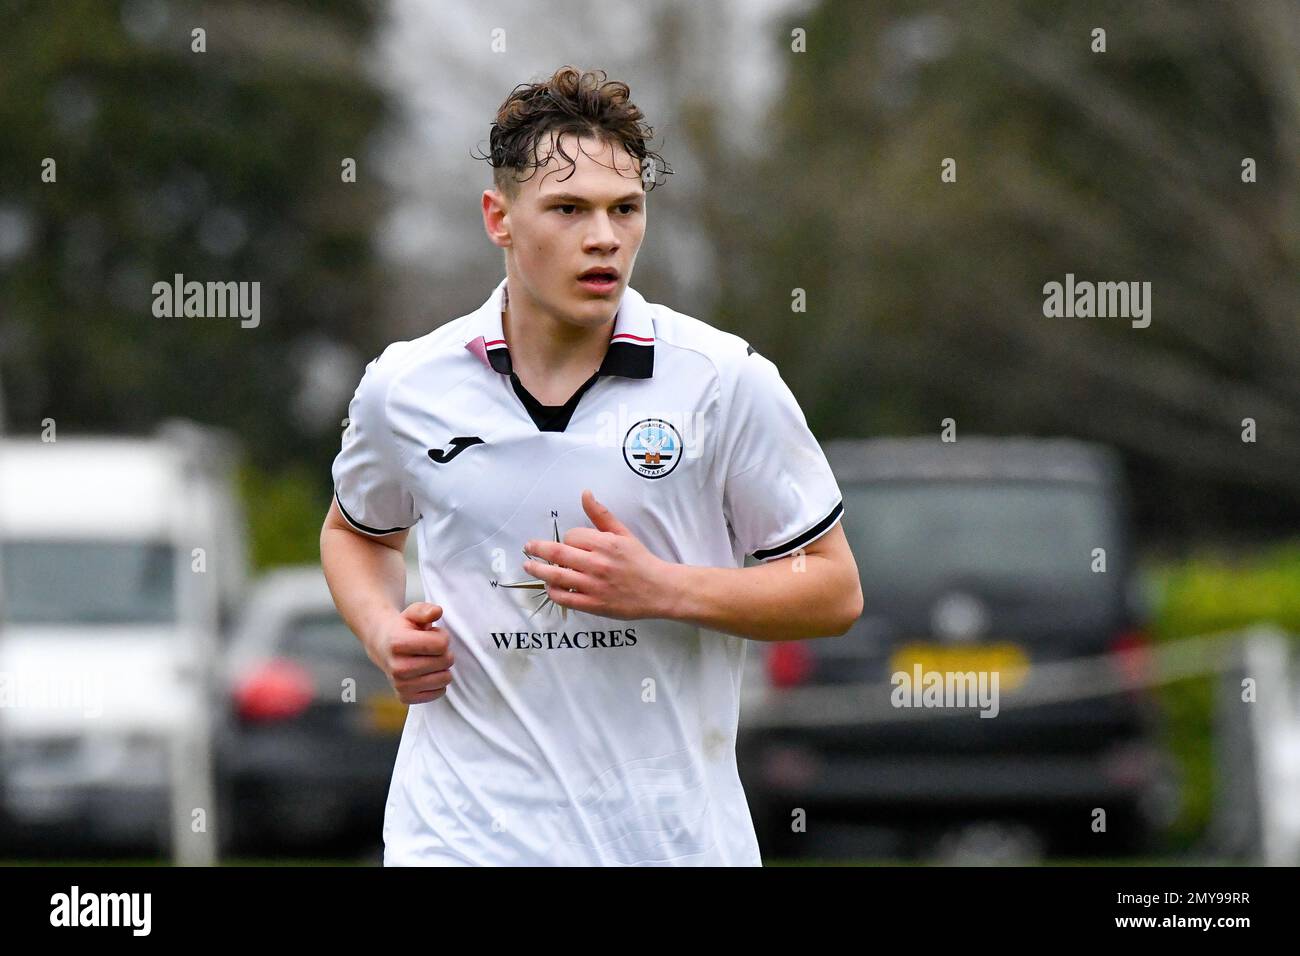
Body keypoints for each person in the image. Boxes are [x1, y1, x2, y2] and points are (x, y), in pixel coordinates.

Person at [320, 65, 863, 866]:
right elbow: (355, 533)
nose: (603, 237)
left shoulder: (724, 379)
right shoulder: (406, 385)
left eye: (625, 209)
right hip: (462, 839)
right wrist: (381, 629)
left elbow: (833, 588)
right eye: (568, 210)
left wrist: (664, 589)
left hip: (672, 843)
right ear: (498, 218)